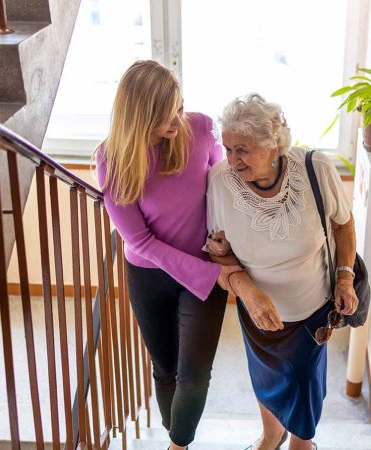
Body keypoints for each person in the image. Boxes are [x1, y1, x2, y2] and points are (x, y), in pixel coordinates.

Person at [95, 60, 242, 450]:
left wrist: (222, 257)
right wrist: (209, 274)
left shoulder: (200, 128)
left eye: (179, 106)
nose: (178, 121)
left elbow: (221, 193)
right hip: (149, 275)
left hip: (206, 270)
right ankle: (178, 434)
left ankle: (176, 445)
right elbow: (140, 241)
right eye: (166, 116)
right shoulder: (111, 158)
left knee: (194, 373)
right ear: (140, 117)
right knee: (165, 371)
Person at [204, 94, 359, 450]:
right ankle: (272, 435)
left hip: (312, 309)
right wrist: (247, 292)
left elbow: (344, 225)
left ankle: (302, 443)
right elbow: (219, 251)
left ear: (272, 145)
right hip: (256, 310)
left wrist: (345, 276)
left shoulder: (316, 169)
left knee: (303, 380)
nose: (232, 160)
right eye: (227, 148)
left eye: (242, 149)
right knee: (265, 375)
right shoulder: (220, 181)